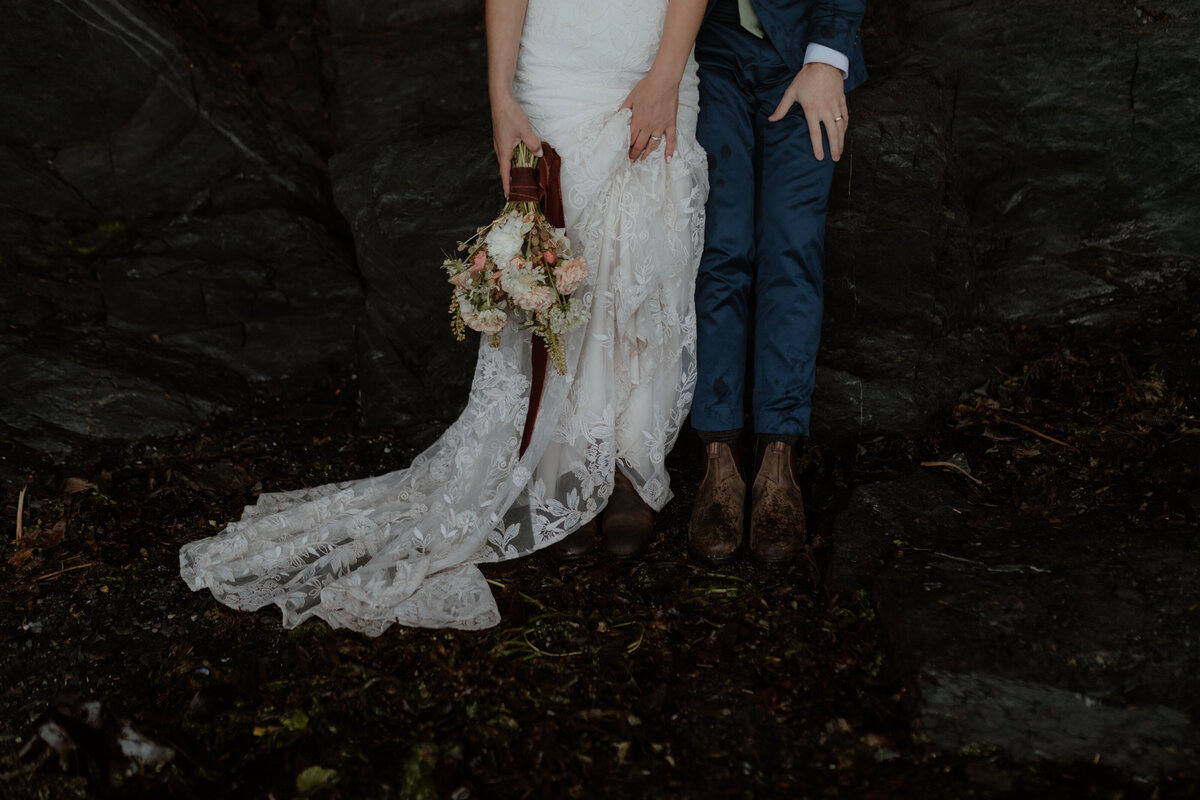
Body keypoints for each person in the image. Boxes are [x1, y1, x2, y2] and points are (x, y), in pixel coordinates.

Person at [179, 0, 709, 634]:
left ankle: (625, 467)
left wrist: (666, 75)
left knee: (646, 264)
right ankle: (563, 466)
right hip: (557, 67)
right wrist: (500, 99)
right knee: (564, 261)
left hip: (651, 57)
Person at [687, 0, 866, 566]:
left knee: (791, 246)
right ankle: (720, 453)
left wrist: (827, 59)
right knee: (721, 242)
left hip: (800, 49)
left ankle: (778, 455)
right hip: (708, 47)